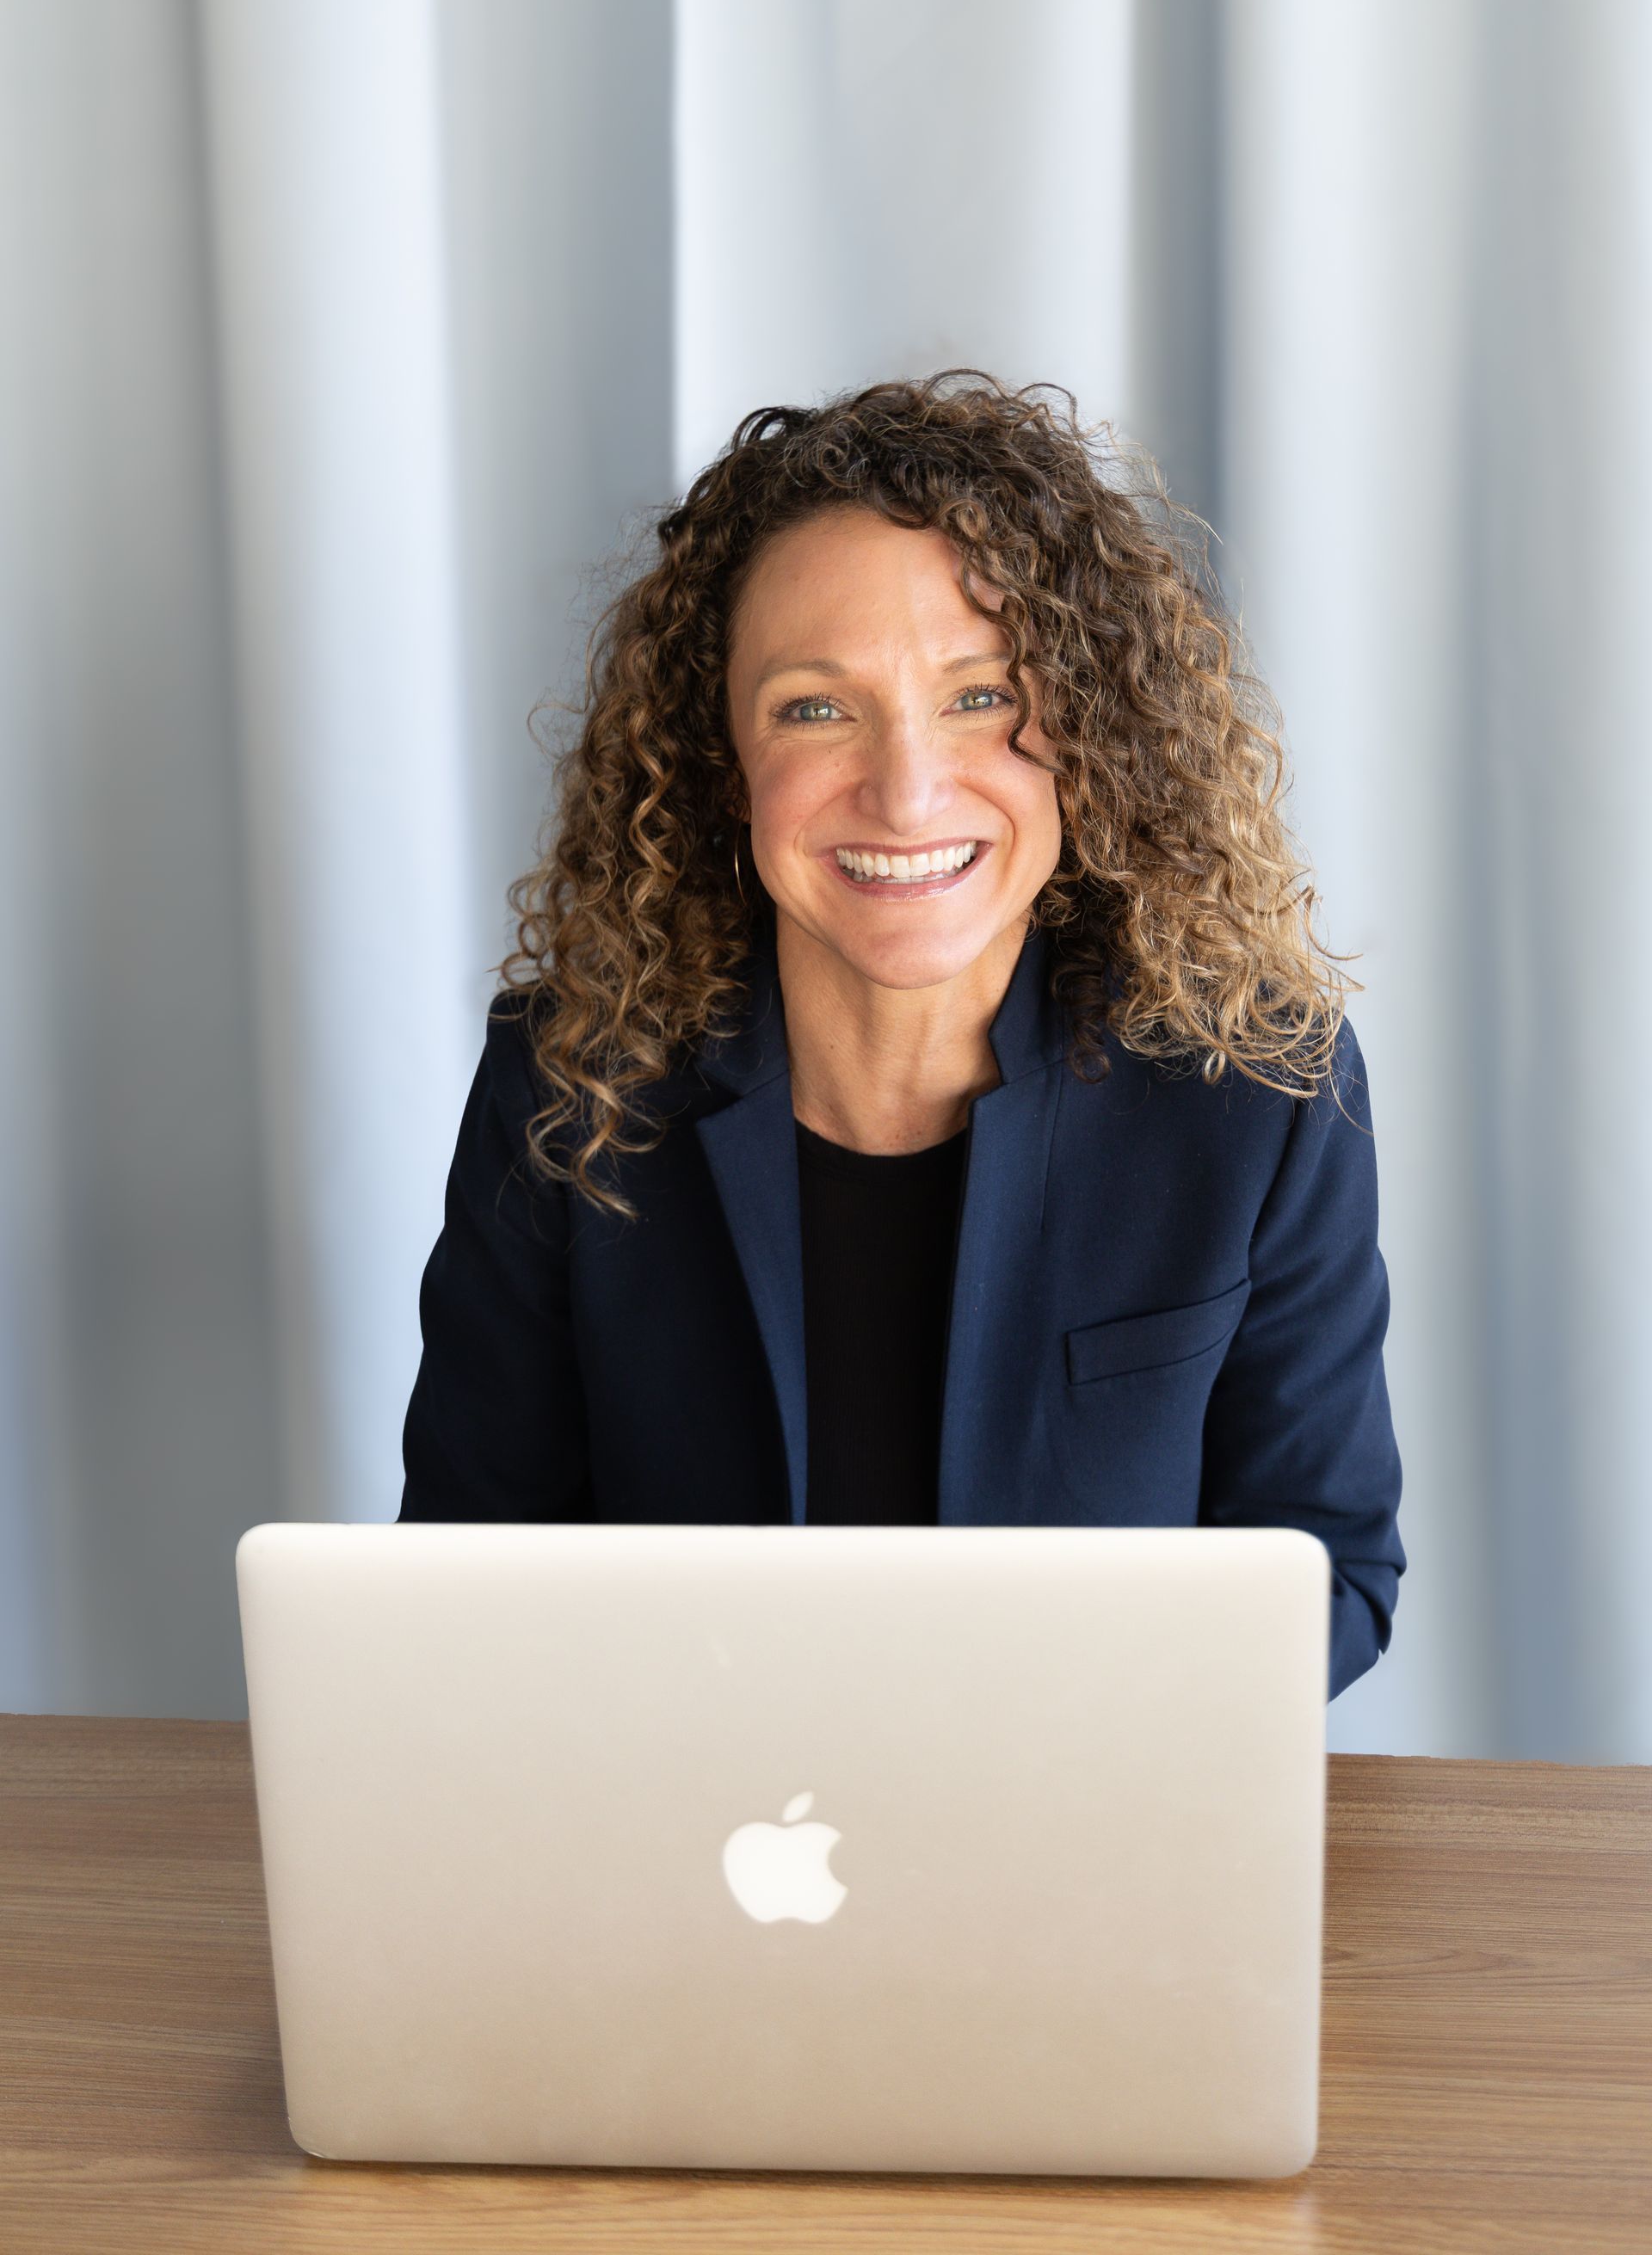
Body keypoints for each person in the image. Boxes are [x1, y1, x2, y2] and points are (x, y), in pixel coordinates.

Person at [398, 373, 1404, 1701]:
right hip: (690, 1812)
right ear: (722, 761)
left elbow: (1331, 1571)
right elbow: (467, 1577)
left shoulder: (1258, 1091)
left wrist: (1040, 1739)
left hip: (1081, 1808)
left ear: (1091, 729)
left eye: (982, 696)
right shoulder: (570, 1080)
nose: (909, 792)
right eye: (815, 708)